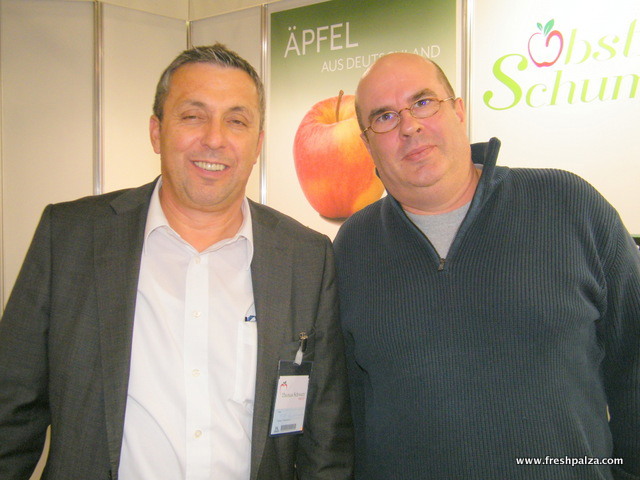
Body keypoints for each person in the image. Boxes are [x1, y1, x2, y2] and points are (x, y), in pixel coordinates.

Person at [0, 44, 353, 480]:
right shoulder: (71, 237)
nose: (215, 138)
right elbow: (11, 413)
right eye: (192, 116)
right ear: (156, 131)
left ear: (258, 144)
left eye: (237, 121)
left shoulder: (306, 257)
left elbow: (325, 438)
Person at [333, 52, 640, 480]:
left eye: (423, 102)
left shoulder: (570, 206)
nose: (409, 126)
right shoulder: (352, 247)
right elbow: (346, 407)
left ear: (459, 111)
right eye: (384, 117)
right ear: (367, 144)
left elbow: (634, 362)